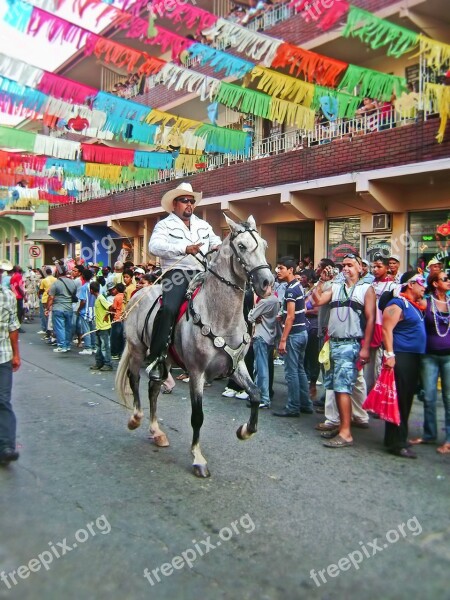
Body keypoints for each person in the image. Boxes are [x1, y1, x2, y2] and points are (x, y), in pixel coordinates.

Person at [146, 182, 221, 381]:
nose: (189, 204)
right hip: (177, 273)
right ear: (174, 204)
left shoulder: (203, 225)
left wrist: (221, 247)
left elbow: (215, 242)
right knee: (169, 308)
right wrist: (184, 248)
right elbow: (154, 246)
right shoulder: (164, 225)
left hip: (203, 273)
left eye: (192, 201)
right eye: (184, 200)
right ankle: (157, 356)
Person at [312, 254, 376, 447]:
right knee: (335, 386)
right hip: (333, 343)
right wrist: (320, 282)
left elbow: (371, 319)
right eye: (344, 265)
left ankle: (346, 433)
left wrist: (365, 348)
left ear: (360, 268)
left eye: (350, 265)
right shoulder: (335, 287)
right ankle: (341, 426)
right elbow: (317, 301)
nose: (345, 268)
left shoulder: (366, 289)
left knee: (342, 388)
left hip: (350, 343)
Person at [382, 272, 427, 458]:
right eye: (421, 283)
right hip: (402, 356)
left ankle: (394, 438)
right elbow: (386, 329)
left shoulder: (414, 306)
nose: (424, 286)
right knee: (400, 400)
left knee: (406, 399)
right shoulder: (398, 303)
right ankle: (398, 443)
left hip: (413, 356)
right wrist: (390, 354)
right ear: (410, 284)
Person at [410, 271, 450, 454]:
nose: (448, 281)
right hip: (429, 356)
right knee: (429, 397)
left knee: (449, 398)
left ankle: (449, 439)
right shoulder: (426, 302)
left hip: (448, 356)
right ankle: (429, 434)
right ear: (435, 283)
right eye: (445, 279)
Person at [272, 257, 313, 417]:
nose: (278, 271)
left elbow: (290, 317)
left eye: (281, 268)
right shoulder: (298, 286)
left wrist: (283, 340)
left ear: (290, 270)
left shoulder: (290, 289)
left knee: (291, 372)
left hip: (294, 335)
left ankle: (293, 406)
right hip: (302, 332)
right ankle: (305, 403)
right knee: (300, 369)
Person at [0, 259, 21, 466]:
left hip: (3, 355)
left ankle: (6, 445)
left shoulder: (7, 296)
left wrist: (16, 354)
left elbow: (12, 327)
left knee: (3, 400)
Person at [248, 284, 280, 409]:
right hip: (270, 336)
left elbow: (250, 316)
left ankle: (263, 398)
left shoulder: (264, 302)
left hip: (261, 335)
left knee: (260, 369)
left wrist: (255, 314)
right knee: (264, 367)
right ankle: (262, 396)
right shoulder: (276, 301)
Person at [46, 261, 77, 353]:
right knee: (68, 327)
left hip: (58, 307)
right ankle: (67, 345)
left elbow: (51, 297)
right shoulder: (72, 282)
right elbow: (74, 294)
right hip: (69, 307)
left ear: (58, 272)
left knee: (60, 327)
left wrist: (47, 308)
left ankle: (62, 345)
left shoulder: (56, 283)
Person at [89, 281, 113, 372]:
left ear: (91, 290)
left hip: (104, 327)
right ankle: (99, 363)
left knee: (104, 346)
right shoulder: (98, 298)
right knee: (98, 346)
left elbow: (110, 307)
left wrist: (107, 315)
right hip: (99, 326)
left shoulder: (100, 298)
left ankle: (108, 364)